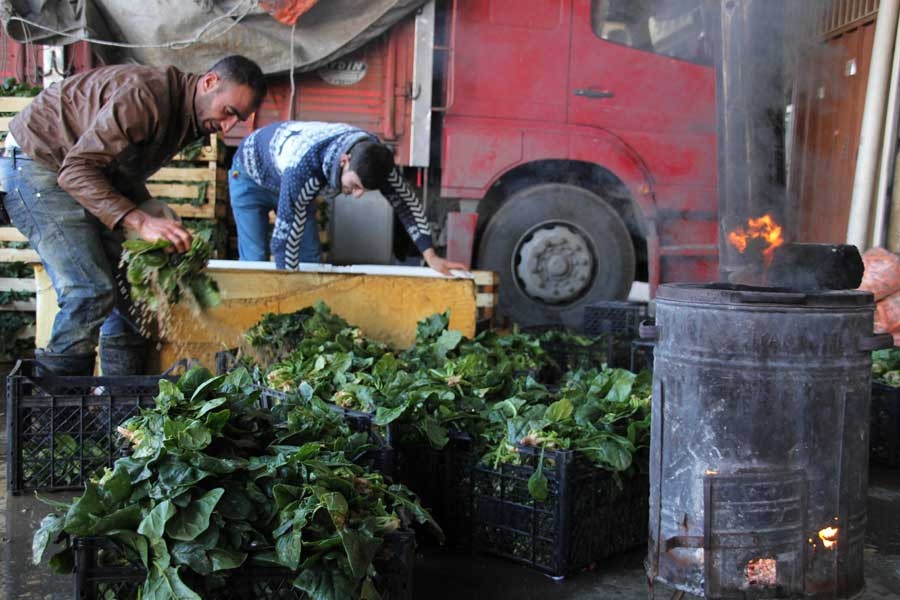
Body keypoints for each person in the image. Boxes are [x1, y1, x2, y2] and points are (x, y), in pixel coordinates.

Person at [0, 55, 267, 376]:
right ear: (209, 82)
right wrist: (140, 220)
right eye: (228, 112)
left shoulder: (188, 114)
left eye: (237, 120)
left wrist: (149, 207)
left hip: (80, 171)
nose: (227, 127)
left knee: (133, 299)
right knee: (89, 291)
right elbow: (77, 170)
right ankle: (58, 416)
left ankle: (120, 409)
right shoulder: (146, 97)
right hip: (39, 163)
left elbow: (116, 165)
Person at [229, 121, 465, 274]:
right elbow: (284, 242)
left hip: (285, 176)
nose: (358, 195)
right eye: (354, 186)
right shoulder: (303, 169)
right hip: (250, 174)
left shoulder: (373, 158)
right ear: (344, 160)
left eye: (365, 190)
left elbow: (406, 204)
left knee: (310, 261)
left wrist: (431, 256)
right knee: (255, 262)